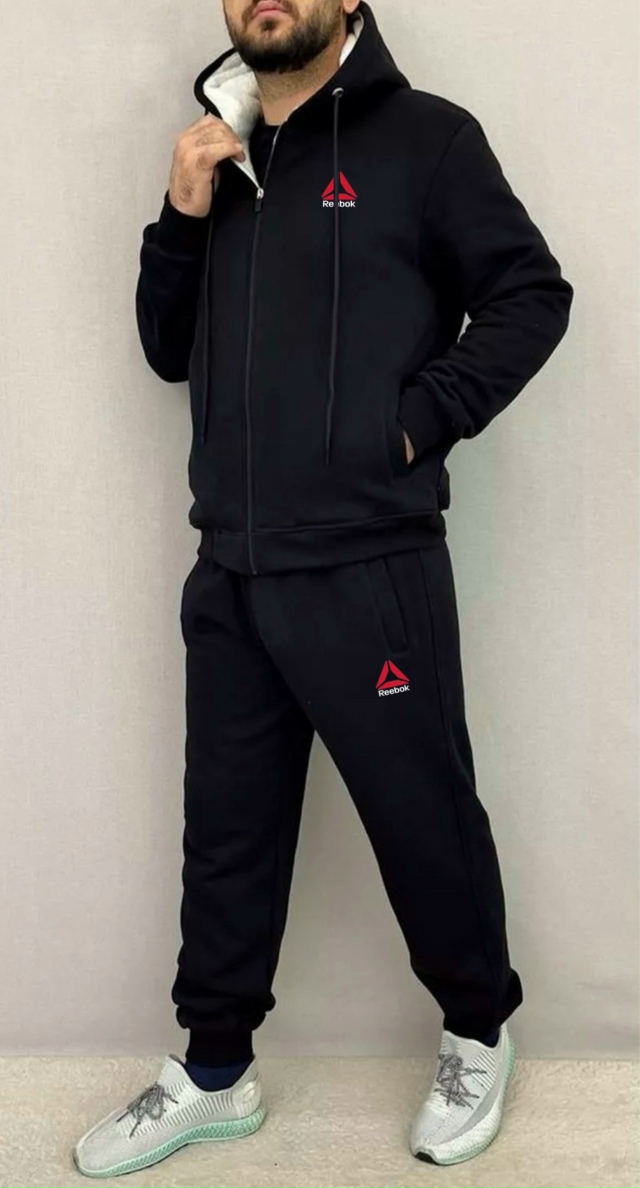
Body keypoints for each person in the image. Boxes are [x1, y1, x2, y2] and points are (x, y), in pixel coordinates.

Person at [72, 0, 573, 1176]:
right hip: (231, 564)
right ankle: (215, 1070)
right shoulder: (220, 146)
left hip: (367, 561)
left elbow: (530, 294)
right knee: (226, 833)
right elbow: (164, 347)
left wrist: (412, 425)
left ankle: (477, 1029)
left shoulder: (427, 140)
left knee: (421, 813)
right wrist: (180, 213)